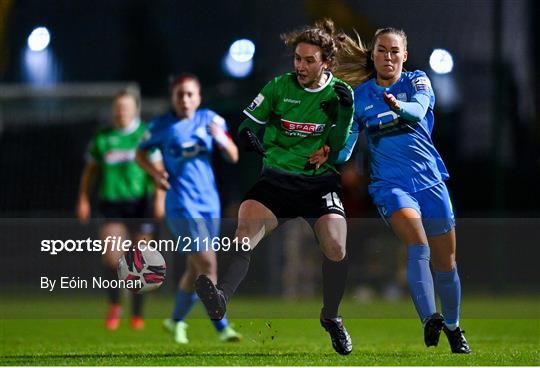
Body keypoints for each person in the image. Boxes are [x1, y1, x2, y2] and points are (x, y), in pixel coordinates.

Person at [194, 19, 360, 355]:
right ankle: (221, 298)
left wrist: (344, 113)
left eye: (309, 60)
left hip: (317, 184)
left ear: (326, 62)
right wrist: (251, 140)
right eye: (297, 58)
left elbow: (340, 149)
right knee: (244, 230)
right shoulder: (278, 87)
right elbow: (244, 126)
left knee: (336, 246)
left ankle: (331, 317)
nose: (300, 65)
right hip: (277, 181)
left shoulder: (340, 95)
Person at [314, 27, 471, 354]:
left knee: (447, 264)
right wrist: (331, 150)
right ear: (373, 55)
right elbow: (347, 148)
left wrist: (399, 106)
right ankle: (430, 317)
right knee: (417, 244)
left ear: (404, 55)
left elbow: (418, 110)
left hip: (430, 181)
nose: (388, 56)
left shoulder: (417, 81)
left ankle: (454, 328)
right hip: (391, 186)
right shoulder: (361, 97)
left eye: (394, 50)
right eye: (382, 50)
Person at [136, 73, 242, 344]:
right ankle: (222, 327)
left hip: (209, 202)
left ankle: (175, 321)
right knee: (208, 262)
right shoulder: (161, 125)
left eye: (189, 94)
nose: (184, 99)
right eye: (179, 94)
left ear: (199, 97)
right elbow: (139, 153)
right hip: (181, 204)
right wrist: (155, 174)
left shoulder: (210, 119)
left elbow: (233, 155)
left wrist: (221, 138)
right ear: (172, 98)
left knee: (195, 270)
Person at [76, 88, 163, 330]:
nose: (121, 111)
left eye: (125, 107)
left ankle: (137, 314)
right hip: (112, 203)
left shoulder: (145, 134)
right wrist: (82, 198)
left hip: (141, 203)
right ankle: (115, 304)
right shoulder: (103, 137)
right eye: (117, 107)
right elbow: (89, 171)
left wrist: (160, 199)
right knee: (111, 256)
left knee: (140, 261)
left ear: (135, 109)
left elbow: (158, 170)